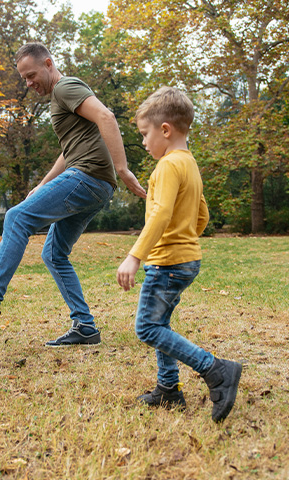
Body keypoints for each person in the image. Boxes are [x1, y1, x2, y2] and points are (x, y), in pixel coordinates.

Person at [0, 42, 146, 347]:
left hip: (87, 177)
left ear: (48, 63)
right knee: (53, 254)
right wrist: (45, 183)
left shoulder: (65, 87)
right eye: (24, 79)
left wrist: (123, 169)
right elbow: (69, 149)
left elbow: (107, 117)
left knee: (16, 217)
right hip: (95, 184)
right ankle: (85, 326)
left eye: (32, 75)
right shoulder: (60, 99)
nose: (29, 83)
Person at [117, 86, 242, 422]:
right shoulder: (190, 164)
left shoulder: (168, 167)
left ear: (165, 130)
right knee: (161, 322)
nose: (144, 142)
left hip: (167, 263)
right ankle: (169, 390)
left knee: (147, 328)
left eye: (145, 134)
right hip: (186, 259)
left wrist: (135, 255)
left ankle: (216, 370)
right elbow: (202, 216)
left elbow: (160, 214)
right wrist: (184, 240)